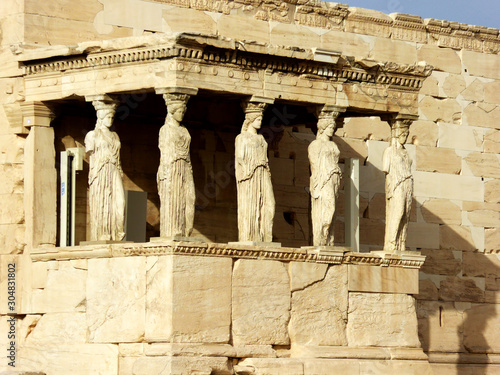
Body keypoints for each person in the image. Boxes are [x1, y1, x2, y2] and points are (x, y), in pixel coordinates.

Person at [85, 100, 125, 241]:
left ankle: (117, 232)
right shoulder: (92, 135)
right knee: (103, 201)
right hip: (101, 171)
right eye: (108, 117)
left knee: (120, 203)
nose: (110, 120)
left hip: (114, 170)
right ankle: (103, 234)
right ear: (100, 117)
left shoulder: (115, 136)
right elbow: (91, 157)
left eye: (112, 117)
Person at [235, 102, 275, 242]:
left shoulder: (261, 138)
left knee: (269, 204)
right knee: (251, 206)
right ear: (250, 121)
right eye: (257, 119)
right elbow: (240, 159)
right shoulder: (242, 138)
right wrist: (249, 169)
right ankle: (250, 236)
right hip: (250, 175)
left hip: (263, 173)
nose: (260, 122)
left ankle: (266, 237)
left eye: (260, 119)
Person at [157, 93, 195, 237]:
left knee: (190, 198)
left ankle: (186, 230)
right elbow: (165, 152)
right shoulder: (165, 130)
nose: (182, 114)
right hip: (172, 166)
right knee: (174, 198)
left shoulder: (184, 130)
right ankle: (174, 231)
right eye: (179, 111)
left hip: (185, 166)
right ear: (172, 112)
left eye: (183, 112)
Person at [308, 110, 341, 247]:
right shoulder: (315, 145)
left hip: (334, 179)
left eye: (333, 128)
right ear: (322, 128)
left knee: (332, 212)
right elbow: (314, 166)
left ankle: (328, 241)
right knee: (329, 208)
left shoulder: (333, 145)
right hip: (323, 179)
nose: (331, 130)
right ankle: (320, 239)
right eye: (329, 128)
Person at [382, 121, 413, 252]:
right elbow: (386, 170)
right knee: (398, 211)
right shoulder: (389, 151)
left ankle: (401, 243)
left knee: (406, 214)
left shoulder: (405, 152)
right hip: (397, 184)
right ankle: (391, 243)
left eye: (406, 135)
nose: (405, 137)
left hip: (408, 183)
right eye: (403, 134)